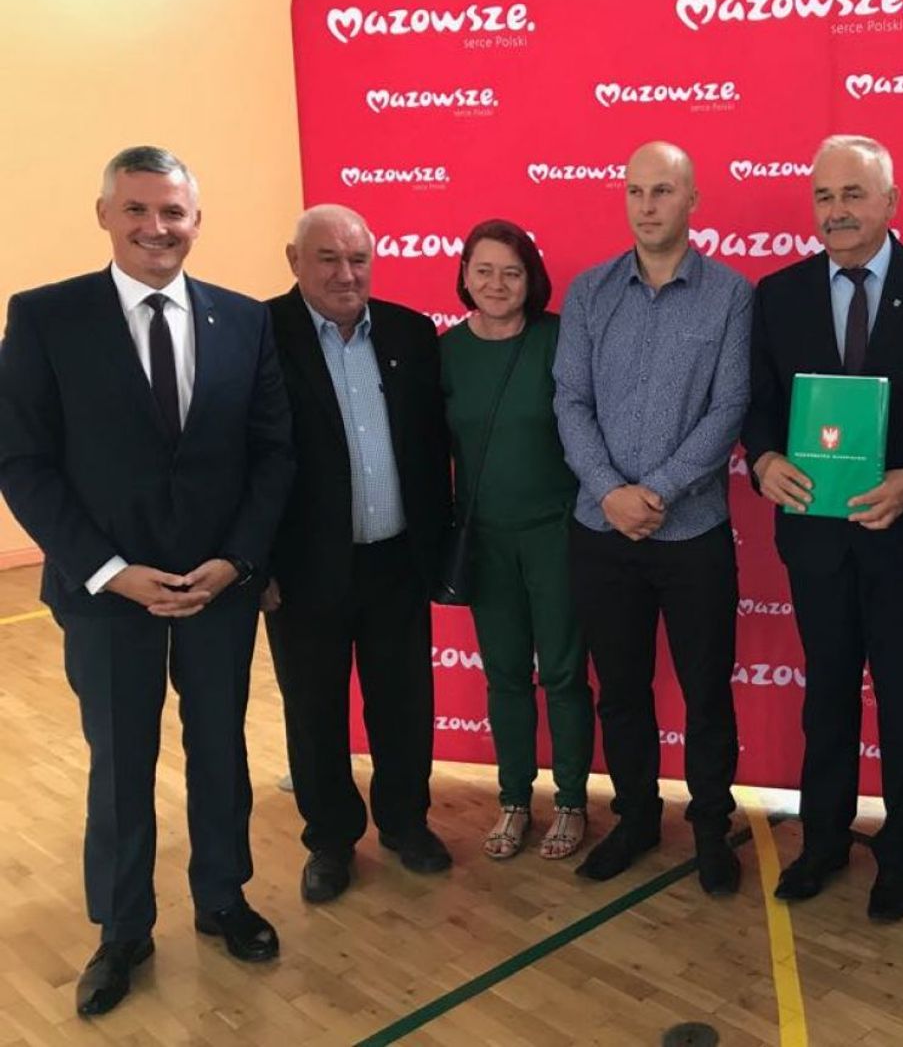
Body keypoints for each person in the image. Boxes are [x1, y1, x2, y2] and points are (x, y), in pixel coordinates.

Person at [0, 146, 294, 1015]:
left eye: (172, 212)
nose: (155, 228)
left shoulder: (244, 320)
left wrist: (237, 561)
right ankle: (123, 928)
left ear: (196, 221)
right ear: (105, 215)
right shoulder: (45, 318)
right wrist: (110, 572)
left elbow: (273, 454)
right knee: (122, 762)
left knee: (222, 749)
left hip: (217, 589)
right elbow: (22, 462)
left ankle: (224, 898)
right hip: (108, 595)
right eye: (136, 209)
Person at [742, 134, 903, 922]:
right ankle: (823, 840)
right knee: (825, 694)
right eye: (823, 196)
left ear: (891, 202)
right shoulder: (778, 294)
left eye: (853, 194)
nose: (837, 211)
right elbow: (756, 405)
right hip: (816, 537)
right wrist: (763, 460)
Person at [553, 141, 752, 894]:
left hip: (692, 532)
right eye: (635, 191)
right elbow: (570, 400)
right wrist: (611, 492)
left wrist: (656, 492)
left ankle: (710, 827)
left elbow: (729, 407)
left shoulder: (731, 295)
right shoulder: (589, 292)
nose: (647, 205)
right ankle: (635, 818)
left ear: (692, 199)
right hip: (601, 530)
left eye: (663, 191)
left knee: (707, 692)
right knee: (621, 691)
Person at [264, 204, 453, 904]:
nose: (347, 274)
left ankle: (406, 823)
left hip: (397, 560)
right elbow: (239, 458)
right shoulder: (261, 335)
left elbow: (432, 447)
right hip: (302, 571)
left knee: (404, 702)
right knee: (314, 711)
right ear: (295, 260)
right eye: (328, 259)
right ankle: (331, 840)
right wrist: (258, 564)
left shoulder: (410, 332)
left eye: (359, 259)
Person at [441, 219, 594, 861]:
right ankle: (513, 801)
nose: (497, 284)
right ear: (465, 276)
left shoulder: (559, 339)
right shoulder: (446, 352)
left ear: (531, 279)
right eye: (484, 270)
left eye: (511, 271)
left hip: (556, 532)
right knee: (504, 674)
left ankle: (571, 802)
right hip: (485, 540)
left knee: (562, 673)